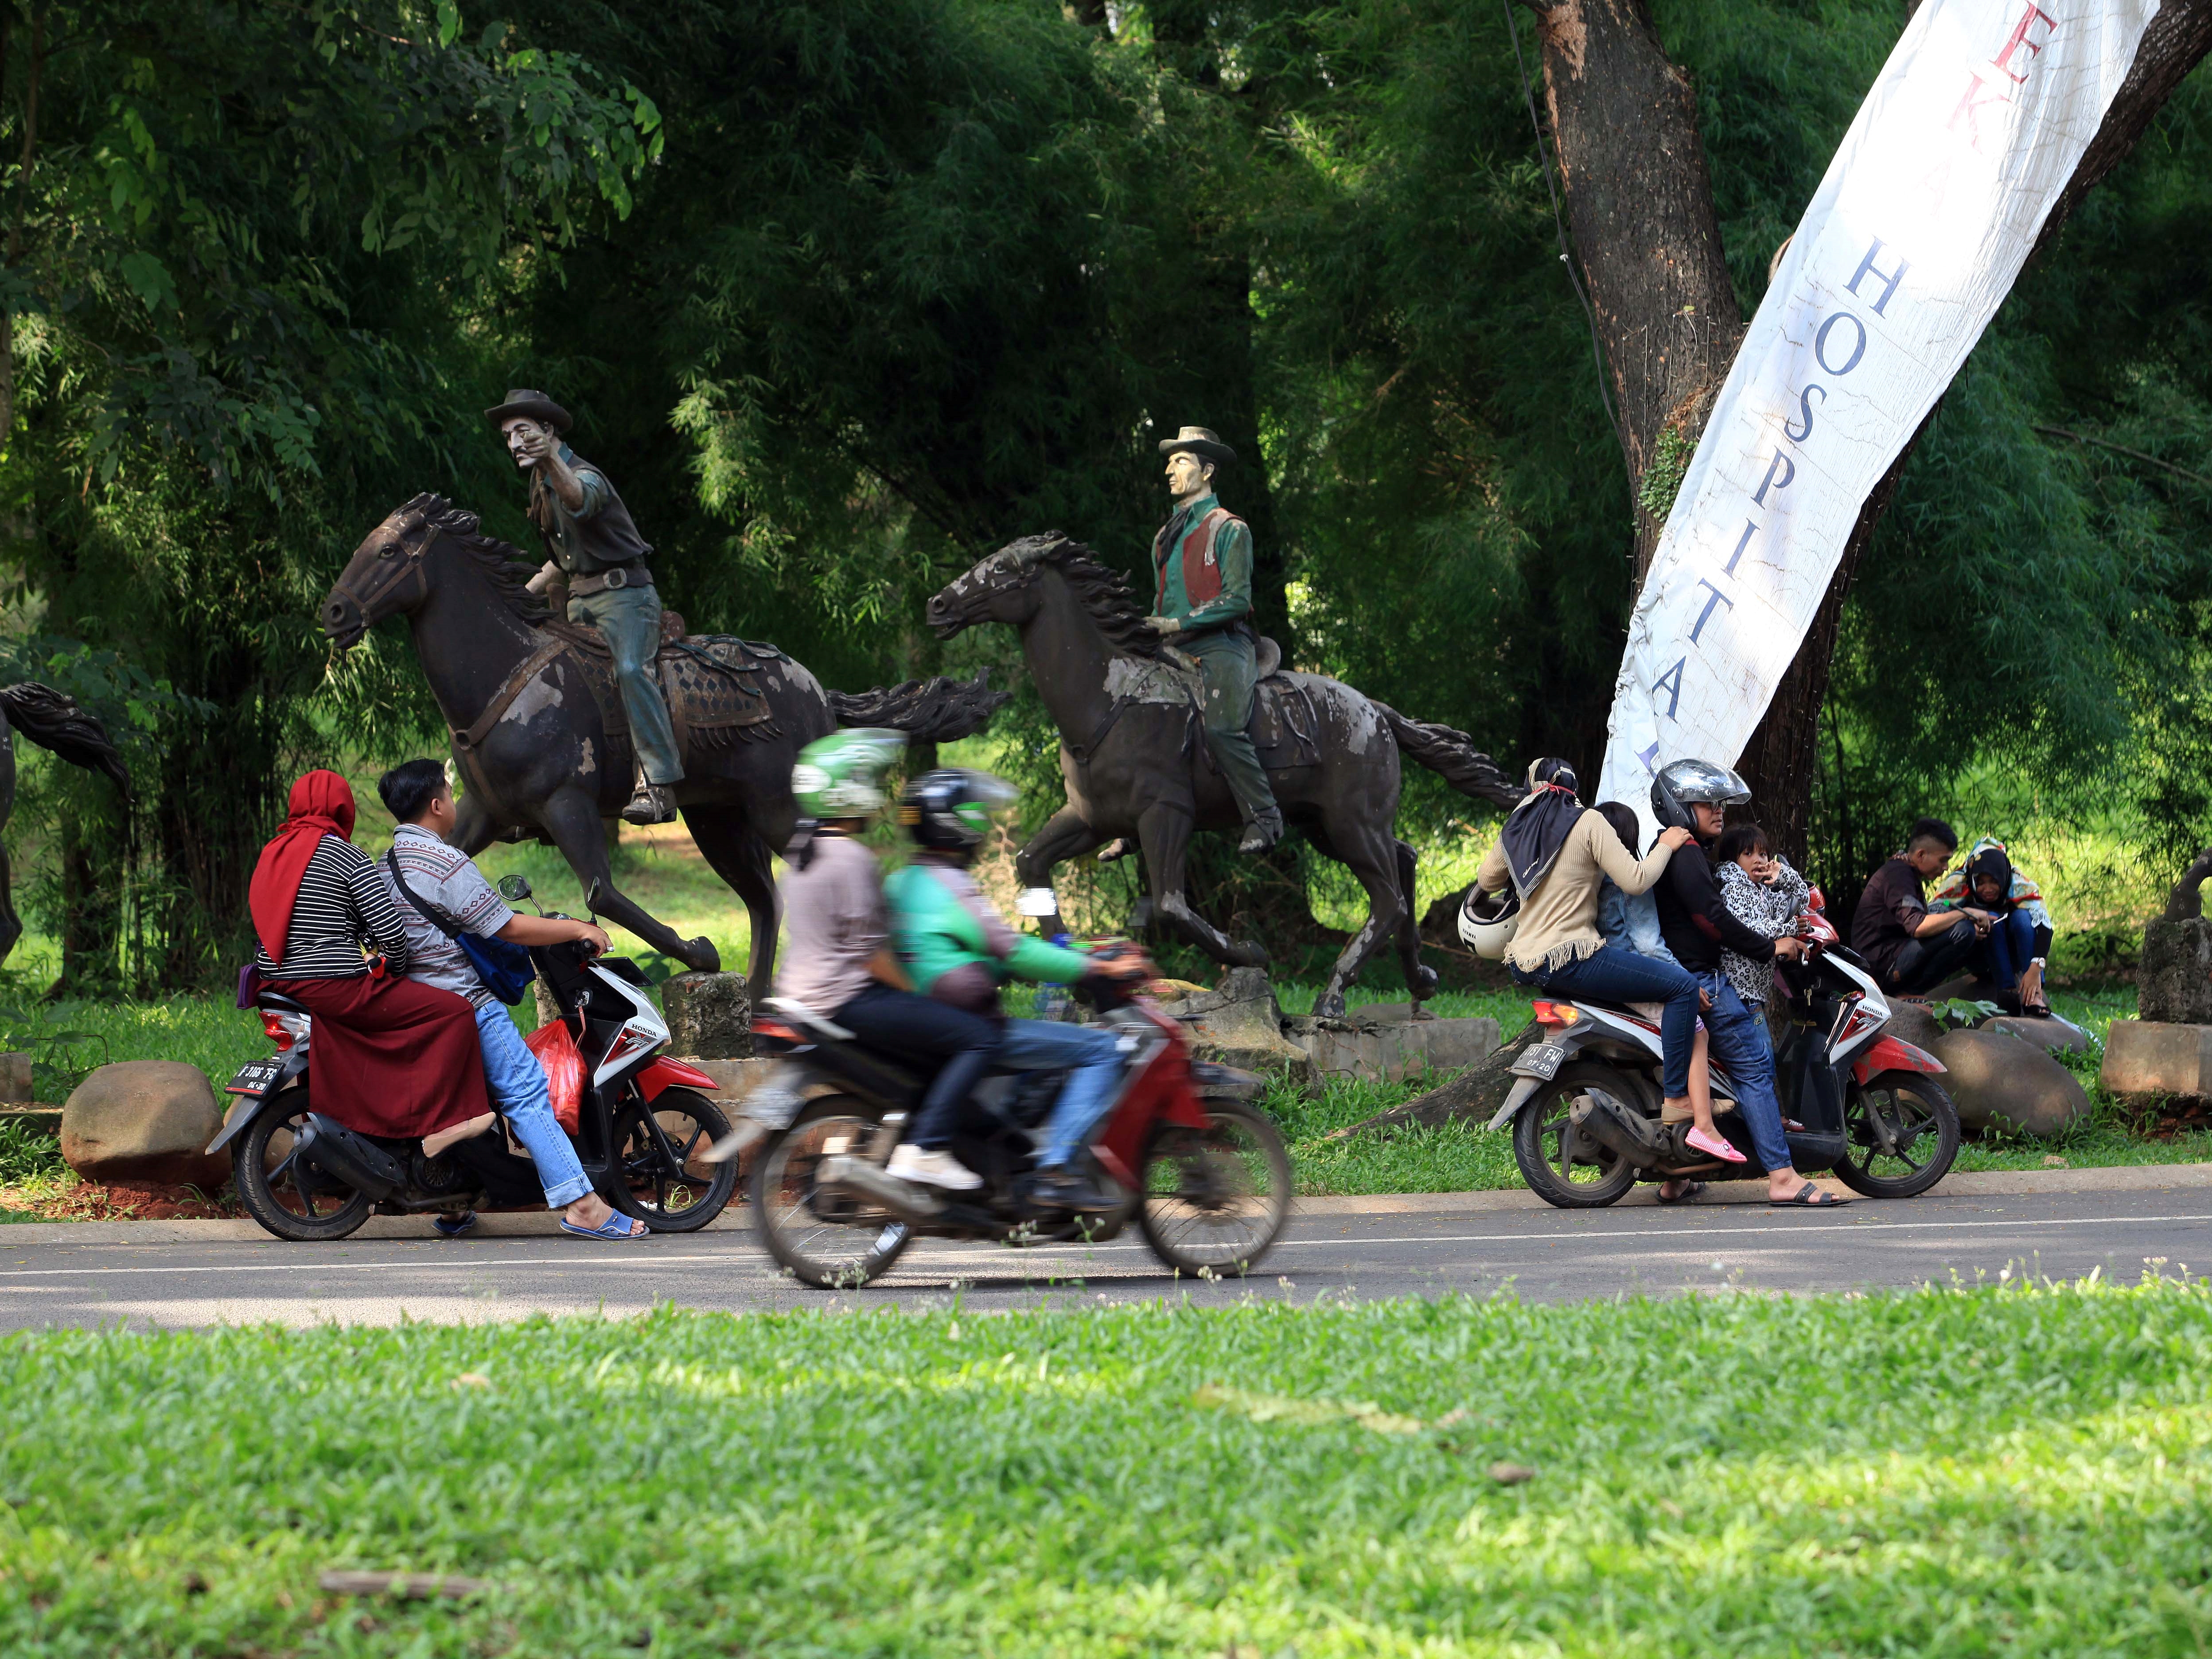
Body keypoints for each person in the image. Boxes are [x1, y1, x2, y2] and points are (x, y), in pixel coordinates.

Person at [374, 759, 647, 1242]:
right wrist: (580, 927)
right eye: (451, 795)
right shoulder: (444, 862)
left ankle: (456, 1205)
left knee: (466, 1101)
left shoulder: (386, 866)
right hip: (465, 1002)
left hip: (415, 1007)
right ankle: (583, 1206)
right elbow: (507, 926)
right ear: (437, 805)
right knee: (524, 1092)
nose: (455, 803)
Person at [885, 770, 1153, 1211]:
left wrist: (1032, 962)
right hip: (968, 1025)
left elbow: (955, 950)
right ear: (958, 825)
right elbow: (1009, 948)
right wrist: (1092, 967)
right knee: (1101, 1051)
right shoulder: (952, 887)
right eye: (980, 818)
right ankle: (1057, 1171)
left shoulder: (902, 882)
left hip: (920, 1022)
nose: (986, 829)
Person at [776, 729, 1003, 1192]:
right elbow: (872, 957)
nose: (875, 787)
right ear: (846, 788)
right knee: (978, 1038)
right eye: (864, 776)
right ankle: (927, 1149)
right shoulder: (852, 858)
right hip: (846, 999)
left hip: (797, 998)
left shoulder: (800, 852)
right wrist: (920, 995)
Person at [247, 770, 486, 1142]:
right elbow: (390, 931)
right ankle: (449, 1120)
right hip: (333, 986)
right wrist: (395, 970)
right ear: (343, 808)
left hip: (276, 982)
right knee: (454, 1011)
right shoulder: (344, 854)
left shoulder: (272, 851)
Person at [1648, 758, 1845, 1207]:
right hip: (1702, 980)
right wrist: (1769, 948)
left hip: (1688, 976)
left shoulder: (1684, 853)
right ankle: (1781, 1176)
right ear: (1679, 806)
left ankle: (1678, 1176)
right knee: (1755, 1073)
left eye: (1720, 803)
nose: (1718, 811)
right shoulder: (1687, 854)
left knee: (1721, 1075)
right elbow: (1712, 919)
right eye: (1706, 803)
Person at [1471, 759, 1704, 1136]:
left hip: (1525, 963)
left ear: (1533, 789)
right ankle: (1677, 1099)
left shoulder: (1519, 828)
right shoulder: (1589, 821)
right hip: (1573, 956)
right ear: (1574, 788)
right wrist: (1665, 844)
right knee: (1683, 988)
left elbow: (1487, 877)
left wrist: (1521, 813)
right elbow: (1636, 881)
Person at [487, 386, 684, 826]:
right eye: (507, 436)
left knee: (632, 671)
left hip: (625, 599)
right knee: (546, 679)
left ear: (548, 429)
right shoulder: (541, 483)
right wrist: (518, 597)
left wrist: (551, 461)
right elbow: (562, 563)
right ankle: (537, 789)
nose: (514, 443)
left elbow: (580, 497)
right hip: (579, 601)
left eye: (523, 431)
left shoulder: (581, 474)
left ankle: (657, 785)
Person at [1139, 425, 1284, 853]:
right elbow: (1161, 599)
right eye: (1169, 461)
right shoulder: (1163, 537)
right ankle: (1130, 824)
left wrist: (1176, 623)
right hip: (1173, 646)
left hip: (1223, 643)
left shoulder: (1230, 528)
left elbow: (1238, 600)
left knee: (1222, 729)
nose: (1169, 469)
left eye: (1180, 461)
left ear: (1207, 471)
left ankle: (1265, 816)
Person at [1593, 801, 1738, 1168]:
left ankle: (1678, 1175)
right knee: (1698, 1030)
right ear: (1629, 837)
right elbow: (1647, 945)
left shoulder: (1594, 876)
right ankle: (1703, 1123)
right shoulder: (1631, 877)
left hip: (1601, 969)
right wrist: (1686, 981)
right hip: (1635, 971)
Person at [1850, 818, 1978, 996]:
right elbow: (1918, 927)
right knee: (1963, 931)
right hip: (1880, 967)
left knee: (1955, 919)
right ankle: (1909, 993)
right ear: (1921, 855)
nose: (1946, 868)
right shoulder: (1898, 876)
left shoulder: (1905, 871)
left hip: (1892, 955)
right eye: (1943, 860)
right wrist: (1966, 914)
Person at [1930, 837, 2053, 1015]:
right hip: (1980, 953)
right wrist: (1968, 920)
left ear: (2004, 875)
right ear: (1972, 878)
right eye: (1980, 883)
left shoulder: (2018, 883)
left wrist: (2035, 968)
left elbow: (2044, 924)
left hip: (2014, 952)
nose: (1987, 889)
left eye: (1994, 881)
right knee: (1993, 920)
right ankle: (2007, 991)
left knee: (2023, 918)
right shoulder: (1958, 883)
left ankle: (2034, 995)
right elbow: (1933, 915)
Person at [1714, 821, 1810, 1015]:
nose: (1758, 860)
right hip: (1739, 992)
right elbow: (1749, 930)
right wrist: (1787, 929)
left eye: (1763, 854)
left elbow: (1802, 898)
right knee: (1761, 1047)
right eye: (1748, 854)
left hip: (1756, 993)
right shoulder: (1733, 889)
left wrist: (1783, 874)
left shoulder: (1762, 892)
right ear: (1733, 861)